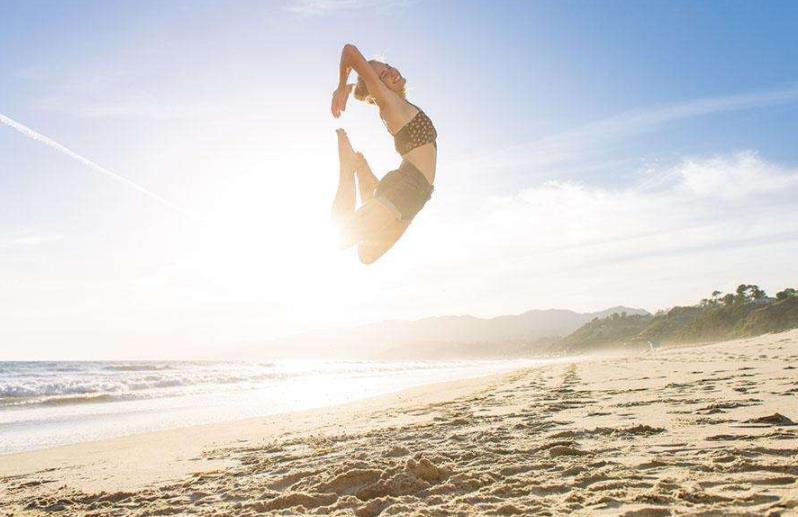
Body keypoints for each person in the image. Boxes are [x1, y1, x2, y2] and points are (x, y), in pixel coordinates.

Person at [330, 44, 437, 264]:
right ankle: (349, 168)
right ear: (376, 86)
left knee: (366, 254)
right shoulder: (388, 102)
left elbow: (365, 91)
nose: (391, 72)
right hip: (410, 186)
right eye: (382, 76)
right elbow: (350, 51)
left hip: (416, 189)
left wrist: (351, 87)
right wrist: (342, 86)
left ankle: (361, 168)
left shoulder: (398, 102)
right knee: (344, 238)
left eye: (388, 67)